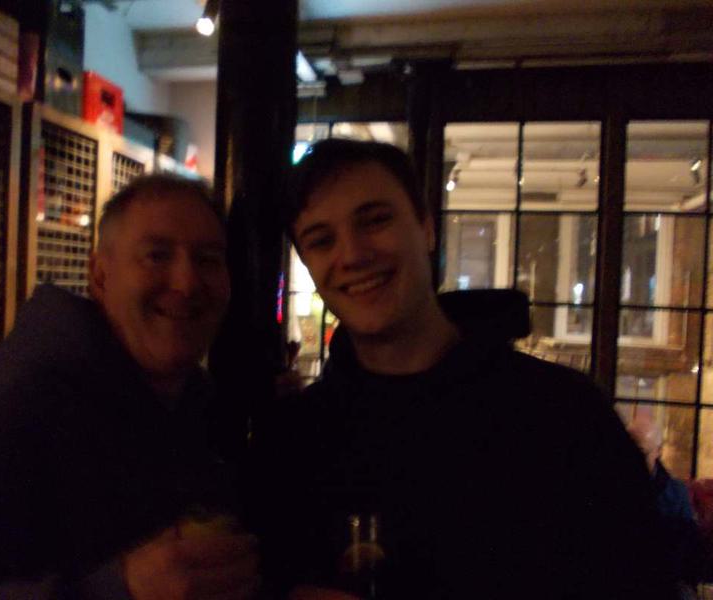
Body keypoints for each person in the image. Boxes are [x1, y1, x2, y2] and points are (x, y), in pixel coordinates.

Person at [249, 138, 678, 599]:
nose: (352, 254)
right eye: (321, 240)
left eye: (375, 220)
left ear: (426, 229)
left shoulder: (564, 415)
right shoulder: (293, 442)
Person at [0, 174, 259, 599]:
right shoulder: (11, 416)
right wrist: (119, 589)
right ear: (99, 276)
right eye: (156, 255)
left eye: (207, 260)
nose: (186, 284)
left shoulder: (191, 407)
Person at [627, 414, 706, 595]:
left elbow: (689, 553)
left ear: (658, 451)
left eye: (641, 453)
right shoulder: (609, 486)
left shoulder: (675, 494)